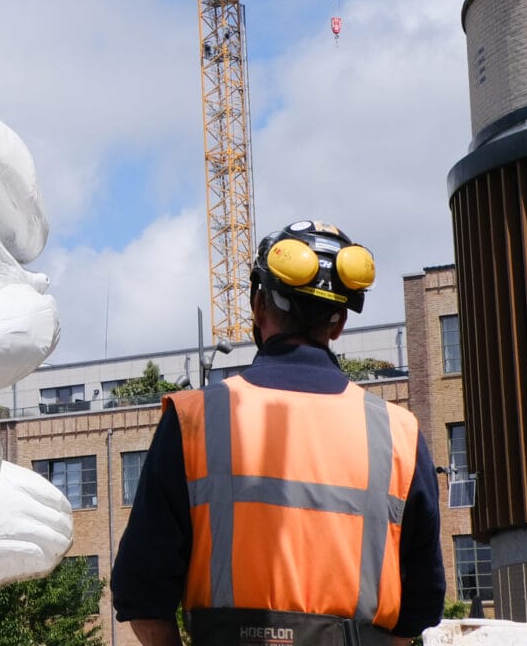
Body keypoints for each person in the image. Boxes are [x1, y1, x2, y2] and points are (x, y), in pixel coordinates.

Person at [110, 221, 445, 646]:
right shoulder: (398, 433)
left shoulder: (196, 419)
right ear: (338, 322)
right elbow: (421, 603)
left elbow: (141, 591)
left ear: (258, 305)